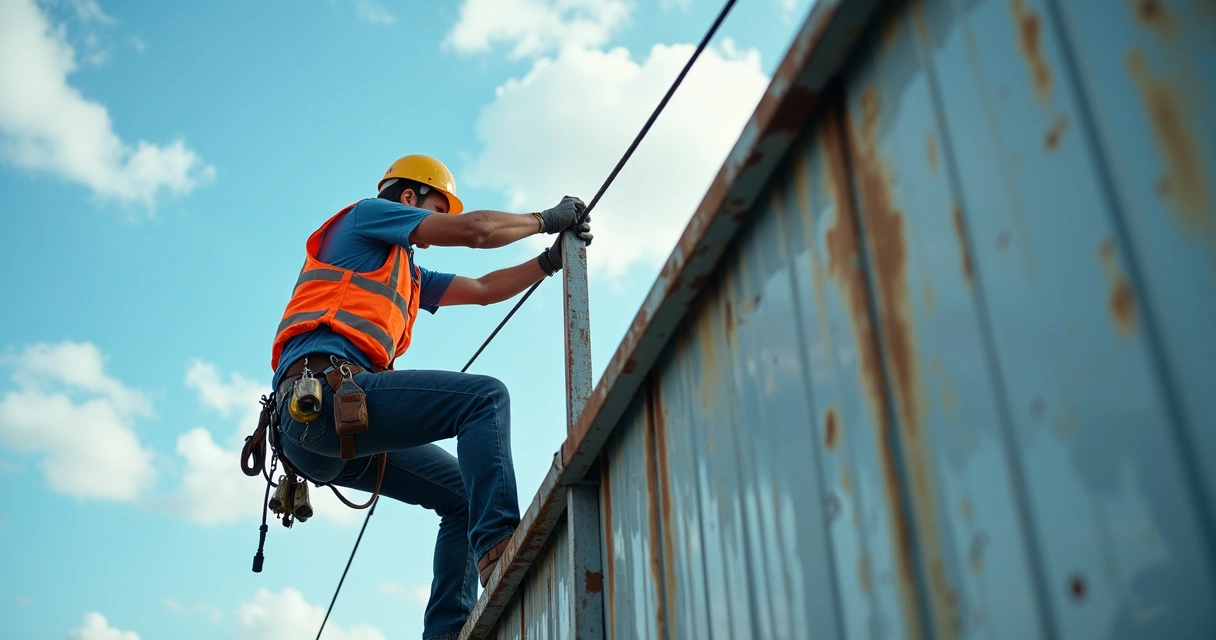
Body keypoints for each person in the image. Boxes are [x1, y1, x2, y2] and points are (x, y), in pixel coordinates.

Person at [268, 154, 591, 640]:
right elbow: (476, 232)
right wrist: (546, 220)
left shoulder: (408, 276)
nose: (438, 221)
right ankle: (501, 548)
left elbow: (483, 289)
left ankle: (447, 633)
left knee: (462, 494)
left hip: (323, 434)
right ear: (407, 198)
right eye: (436, 209)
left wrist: (548, 261)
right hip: (320, 399)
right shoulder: (366, 216)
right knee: (484, 400)